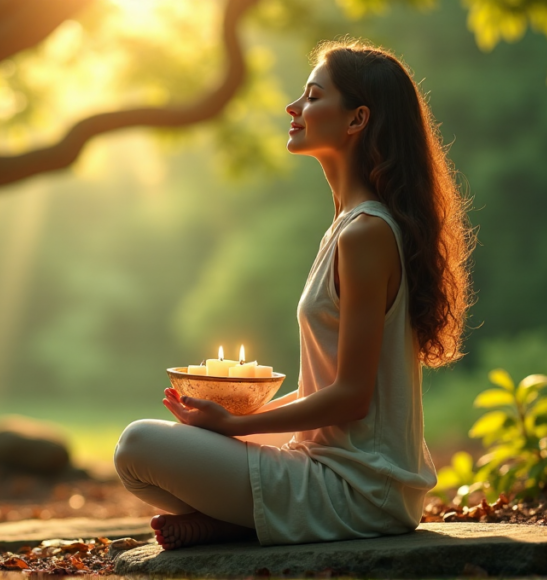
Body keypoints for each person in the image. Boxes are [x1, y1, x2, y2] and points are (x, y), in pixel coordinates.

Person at [113, 39, 474, 550]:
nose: (294, 107)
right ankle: (240, 522)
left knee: (137, 446)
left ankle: (244, 522)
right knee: (177, 443)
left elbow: (351, 398)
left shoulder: (365, 233)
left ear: (357, 120)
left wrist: (240, 421)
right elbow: (325, 390)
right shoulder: (346, 228)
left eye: (312, 96)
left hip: (359, 488)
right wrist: (234, 424)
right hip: (336, 463)